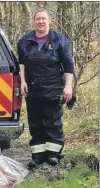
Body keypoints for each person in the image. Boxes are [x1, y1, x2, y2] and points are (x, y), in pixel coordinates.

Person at [17, 9, 75, 166]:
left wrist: (68, 86)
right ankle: (38, 154)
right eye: (38, 19)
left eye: (43, 19)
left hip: (54, 87)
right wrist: (22, 82)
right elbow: (21, 63)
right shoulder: (25, 41)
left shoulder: (59, 40)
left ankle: (53, 154)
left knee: (53, 121)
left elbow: (69, 65)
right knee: (35, 122)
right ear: (34, 21)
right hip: (32, 88)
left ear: (49, 21)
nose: (40, 21)